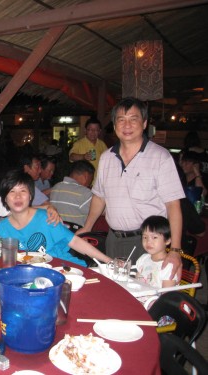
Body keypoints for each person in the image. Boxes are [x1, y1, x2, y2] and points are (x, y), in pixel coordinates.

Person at [76, 97, 184, 275]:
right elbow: (99, 196)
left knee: (144, 297)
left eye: (133, 119)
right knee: (116, 293)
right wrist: (88, 226)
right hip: (114, 239)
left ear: (144, 124)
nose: (127, 125)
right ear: (114, 124)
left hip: (148, 242)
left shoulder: (160, 157)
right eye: (121, 119)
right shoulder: (106, 158)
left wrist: (175, 250)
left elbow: (173, 206)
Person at [0, 170, 112, 266]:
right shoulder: (3, 228)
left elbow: (75, 241)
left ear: (30, 196)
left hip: (63, 268)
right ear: (5, 198)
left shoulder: (46, 217)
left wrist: (109, 261)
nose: (18, 196)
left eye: (23, 191)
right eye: (12, 191)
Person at [136, 216, 179, 289]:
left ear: (168, 240)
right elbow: (137, 283)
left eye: (154, 237)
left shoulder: (168, 266)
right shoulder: (143, 258)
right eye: (145, 237)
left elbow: (166, 296)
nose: (148, 241)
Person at [50, 160, 95, 227]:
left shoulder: (56, 187)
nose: (90, 184)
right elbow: (102, 211)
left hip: (55, 232)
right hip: (75, 235)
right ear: (86, 176)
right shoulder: (85, 193)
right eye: (91, 180)